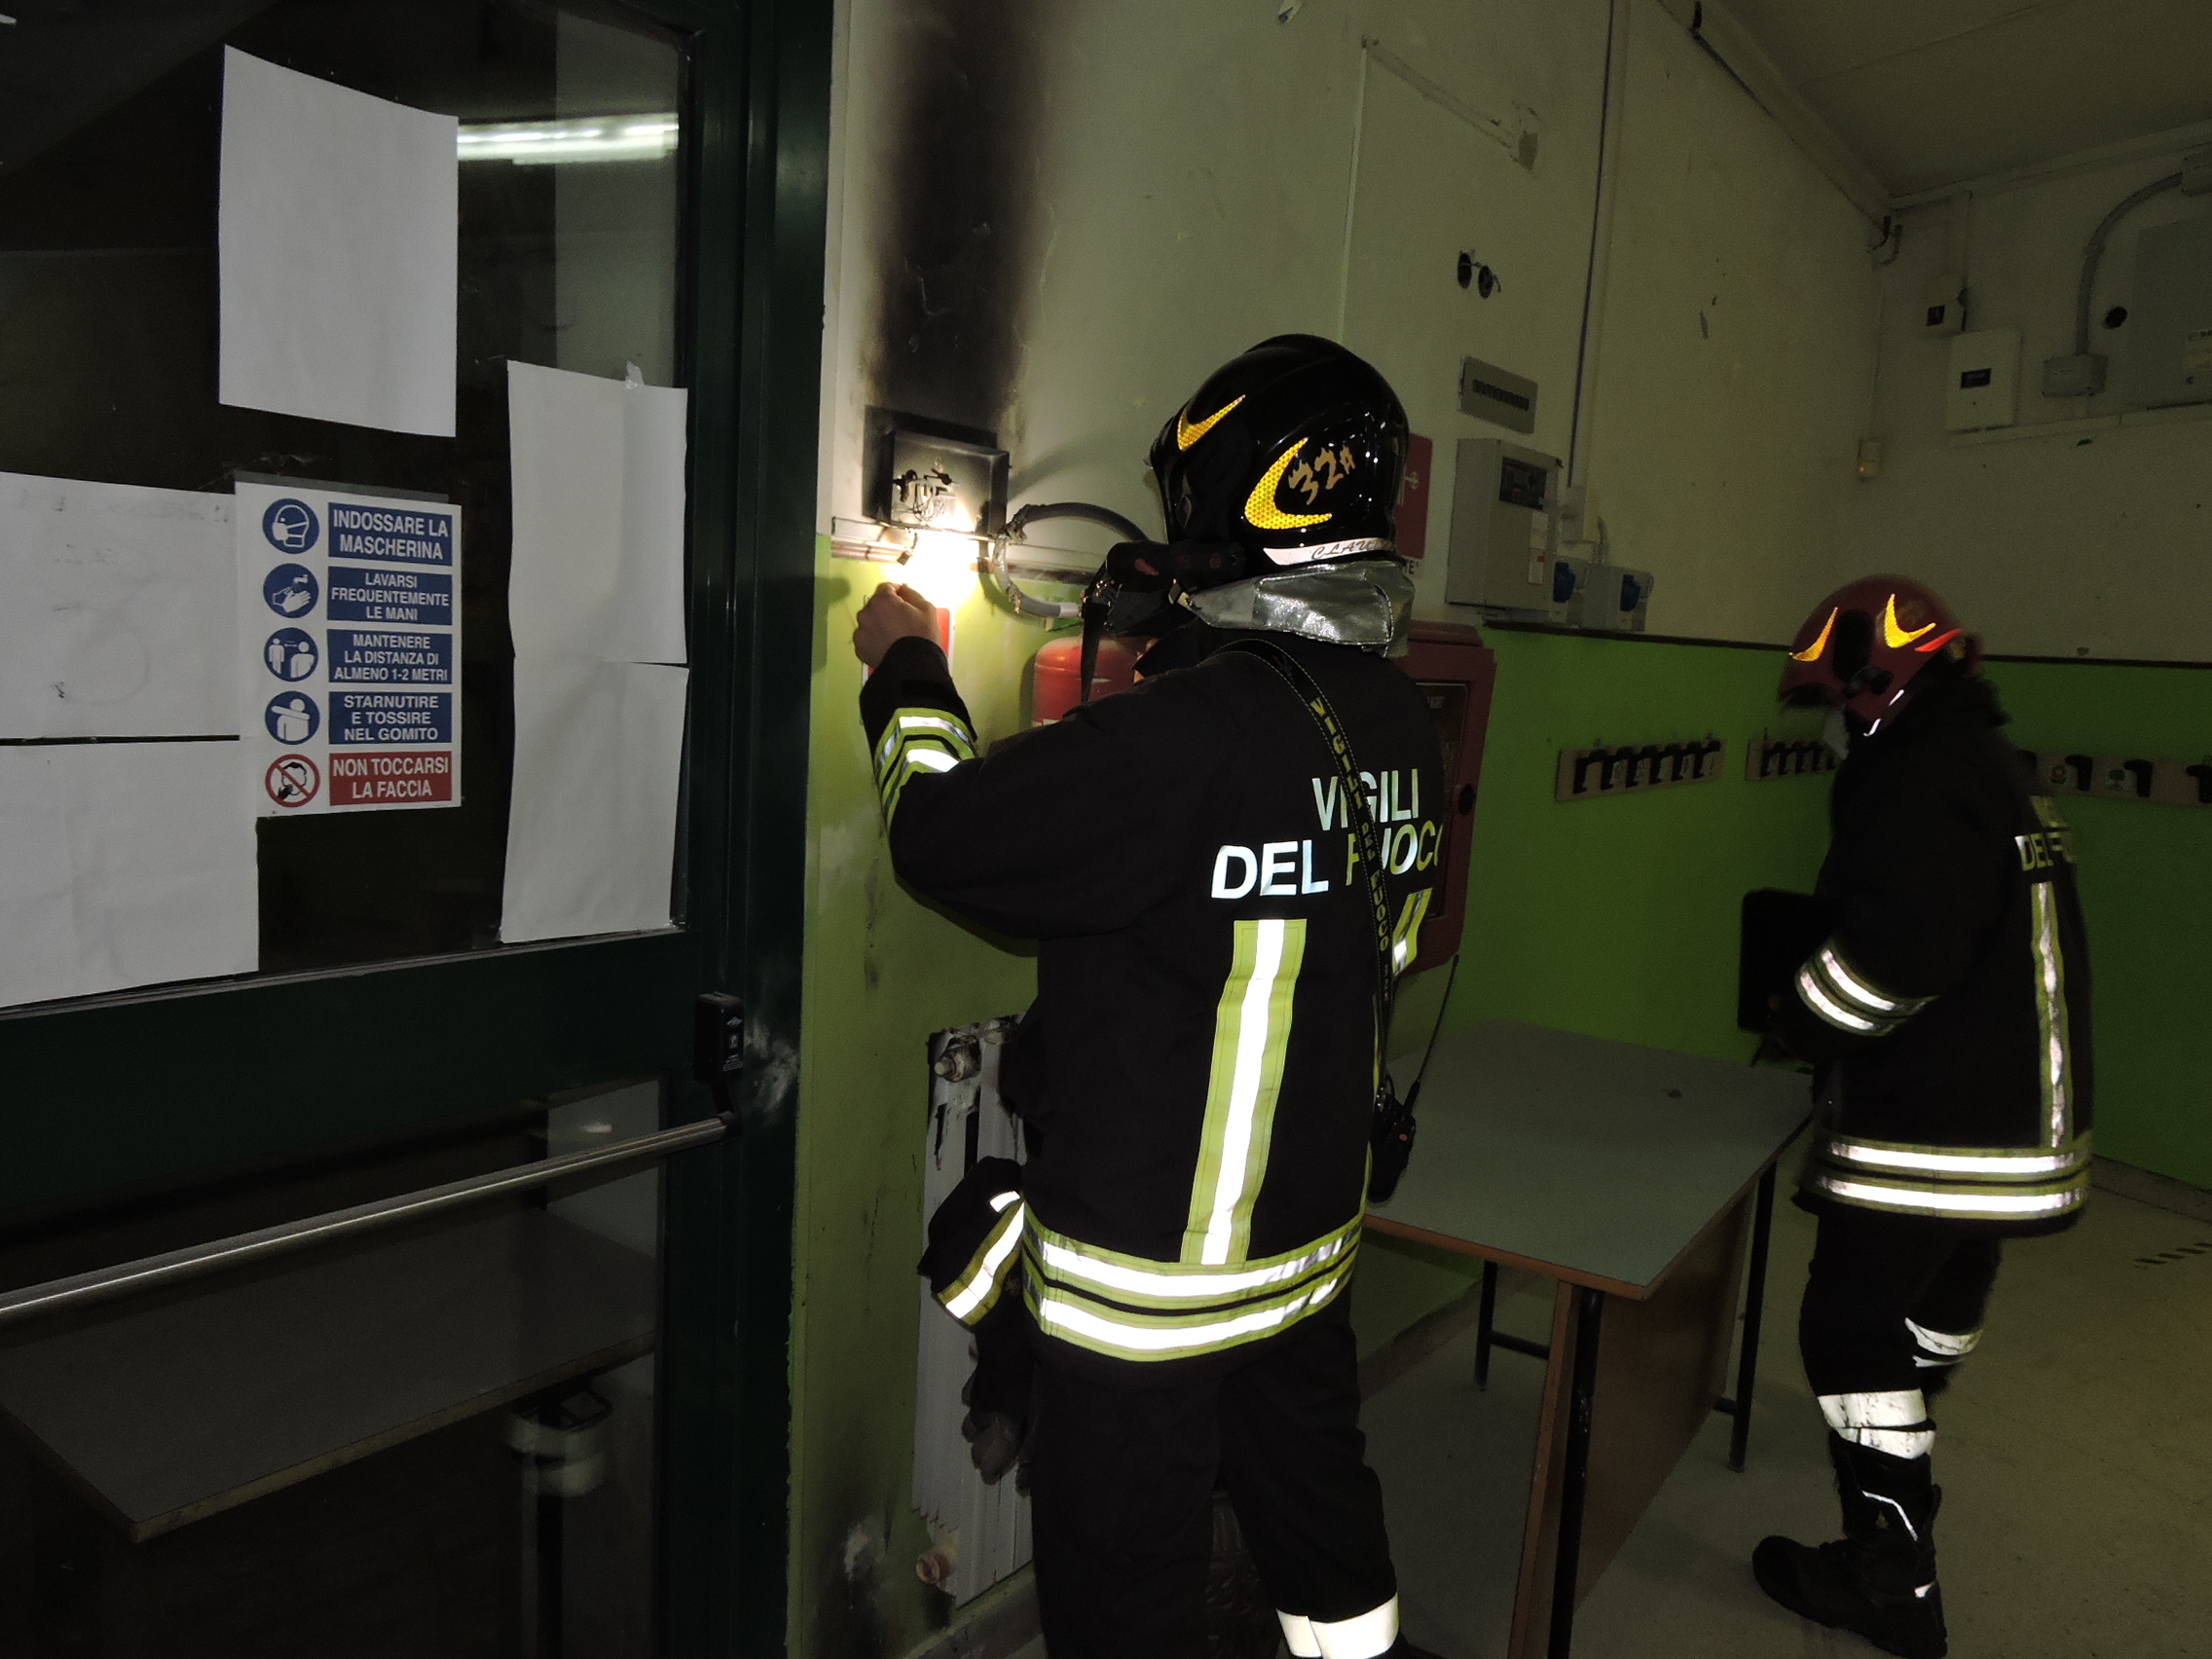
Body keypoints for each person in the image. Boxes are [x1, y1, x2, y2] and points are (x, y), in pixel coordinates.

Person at [855, 336, 1446, 1659]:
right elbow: (1344, 921)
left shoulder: (1178, 742)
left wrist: (907, 669)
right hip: (1306, 1263)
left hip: (1147, 1309)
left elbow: (947, 836)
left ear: (1225, 498)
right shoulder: (1399, 723)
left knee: (1124, 1598)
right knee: (1326, 1547)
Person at [1752, 576, 2092, 1659]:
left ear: (1874, 684)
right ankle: (1906, 1446)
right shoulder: (1993, 767)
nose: (1829, 726)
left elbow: (1901, 955)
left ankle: (1889, 1578)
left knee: (1842, 1327)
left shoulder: (1915, 778)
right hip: (2016, 1126)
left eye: (1832, 703)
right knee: (1931, 1302)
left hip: (1936, 1130)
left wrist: (1799, 1015)